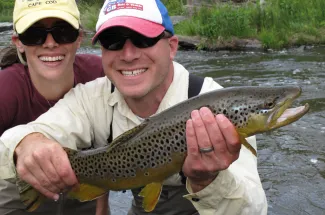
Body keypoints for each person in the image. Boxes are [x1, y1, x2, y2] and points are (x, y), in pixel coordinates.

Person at [1, 0, 268, 214]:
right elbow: (20, 138)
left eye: (143, 39)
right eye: (114, 41)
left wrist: (208, 181)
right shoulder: (92, 97)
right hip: (143, 203)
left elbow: (253, 209)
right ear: (102, 52)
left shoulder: (217, 102)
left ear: (172, 47)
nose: (128, 55)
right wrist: (28, 143)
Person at [0, 0, 106, 214]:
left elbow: (108, 144)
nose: (50, 43)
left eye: (63, 32)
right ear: (18, 42)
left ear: (79, 39)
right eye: (34, 34)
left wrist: (102, 207)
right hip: (14, 186)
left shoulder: (101, 75)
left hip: (83, 183)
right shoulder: (6, 89)